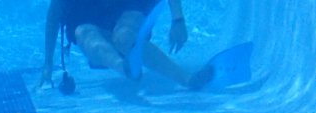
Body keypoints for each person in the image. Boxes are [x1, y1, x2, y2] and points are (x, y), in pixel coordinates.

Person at [41, 0, 203, 90]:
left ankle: (187, 79)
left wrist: (178, 20)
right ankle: (124, 67)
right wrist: (48, 64)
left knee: (125, 37)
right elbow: (54, 15)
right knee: (85, 34)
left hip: (126, 6)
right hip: (87, 13)